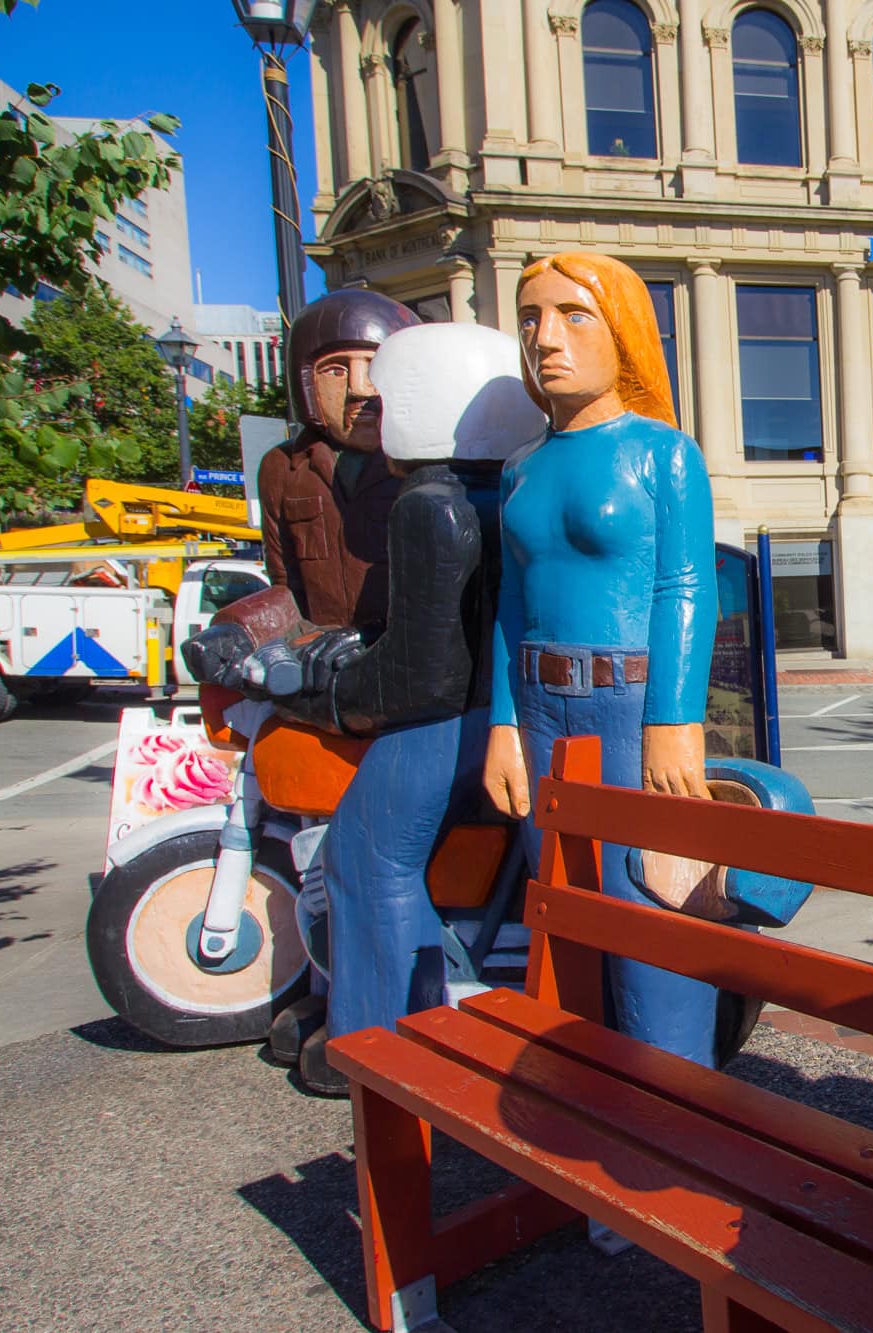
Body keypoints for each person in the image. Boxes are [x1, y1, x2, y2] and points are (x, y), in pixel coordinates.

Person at [187, 323, 545, 1095]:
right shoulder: (512, 486)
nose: (372, 402)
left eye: (389, 389)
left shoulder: (428, 504)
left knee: (364, 856)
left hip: (441, 723)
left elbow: (418, 670)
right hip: (503, 711)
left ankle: (380, 1040)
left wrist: (323, 693)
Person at [481, 251, 722, 1067]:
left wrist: (674, 719)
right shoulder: (520, 467)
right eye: (530, 319)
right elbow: (510, 605)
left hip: (629, 708)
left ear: (621, 332)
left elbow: (686, 586)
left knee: (652, 913)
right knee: (564, 915)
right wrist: (503, 723)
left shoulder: (665, 454)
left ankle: (671, 1111)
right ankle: (579, 1108)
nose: (546, 338)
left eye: (572, 315)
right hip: (541, 710)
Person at [257, 289, 422, 631]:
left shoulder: (424, 466)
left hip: (402, 660)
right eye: (335, 371)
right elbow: (284, 580)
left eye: (376, 366)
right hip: (321, 658)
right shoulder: (282, 469)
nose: (360, 389)